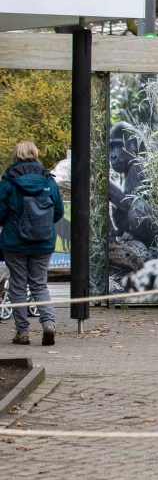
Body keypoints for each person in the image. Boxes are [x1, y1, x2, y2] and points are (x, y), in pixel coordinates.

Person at [0, 140, 64, 346]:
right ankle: (48, 324)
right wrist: (42, 227)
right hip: (43, 241)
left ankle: (22, 333)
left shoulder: (8, 182)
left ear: (16, 155)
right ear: (35, 154)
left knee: (18, 285)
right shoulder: (48, 181)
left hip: (14, 242)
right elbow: (59, 211)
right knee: (39, 283)